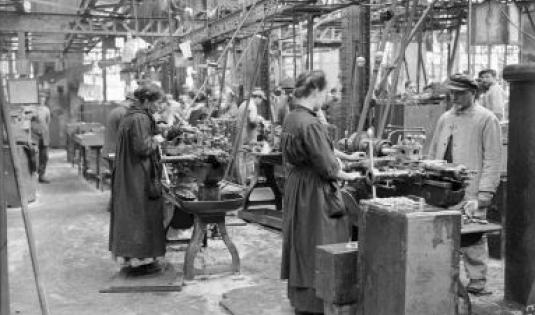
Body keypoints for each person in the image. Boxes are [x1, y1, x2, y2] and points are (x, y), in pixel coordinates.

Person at [280, 70, 361, 314]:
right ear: (315, 92)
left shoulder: (293, 117)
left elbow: (316, 150)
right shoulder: (312, 123)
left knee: (302, 244)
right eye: (325, 93)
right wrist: (352, 174)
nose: (327, 98)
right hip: (314, 193)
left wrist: (346, 156)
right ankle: (319, 302)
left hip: (297, 187)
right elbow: (327, 166)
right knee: (322, 243)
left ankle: (302, 302)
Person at [428, 74, 502, 295]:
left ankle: (477, 280)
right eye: (452, 93)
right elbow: (434, 152)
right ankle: (444, 276)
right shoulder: (445, 118)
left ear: (474, 93)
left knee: (473, 235)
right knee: (442, 232)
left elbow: (493, 159)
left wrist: (485, 193)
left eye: (460, 93)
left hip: (471, 188)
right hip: (444, 188)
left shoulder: (486, 119)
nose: (454, 98)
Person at [109, 83, 167, 275]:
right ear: (146, 101)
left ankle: (134, 259)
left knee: (132, 214)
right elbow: (142, 147)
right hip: (138, 175)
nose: (158, 107)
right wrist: (157, 140)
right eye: (156, 103)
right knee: (142, 214)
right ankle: (142, 261)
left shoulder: (131, 115)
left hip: (129, 173)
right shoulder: (140, 118)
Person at [31, 93, 51, 183]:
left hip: (44, 135)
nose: (41, 99)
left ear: (45, 99)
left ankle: (41, 175)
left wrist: (44, 131)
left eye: (43, 98)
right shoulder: (33, 109)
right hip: (34, 135)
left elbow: (48, 122)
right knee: (33, 155)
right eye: (40, 98)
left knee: (45, 156)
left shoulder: (47, 110)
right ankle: (33, 175)